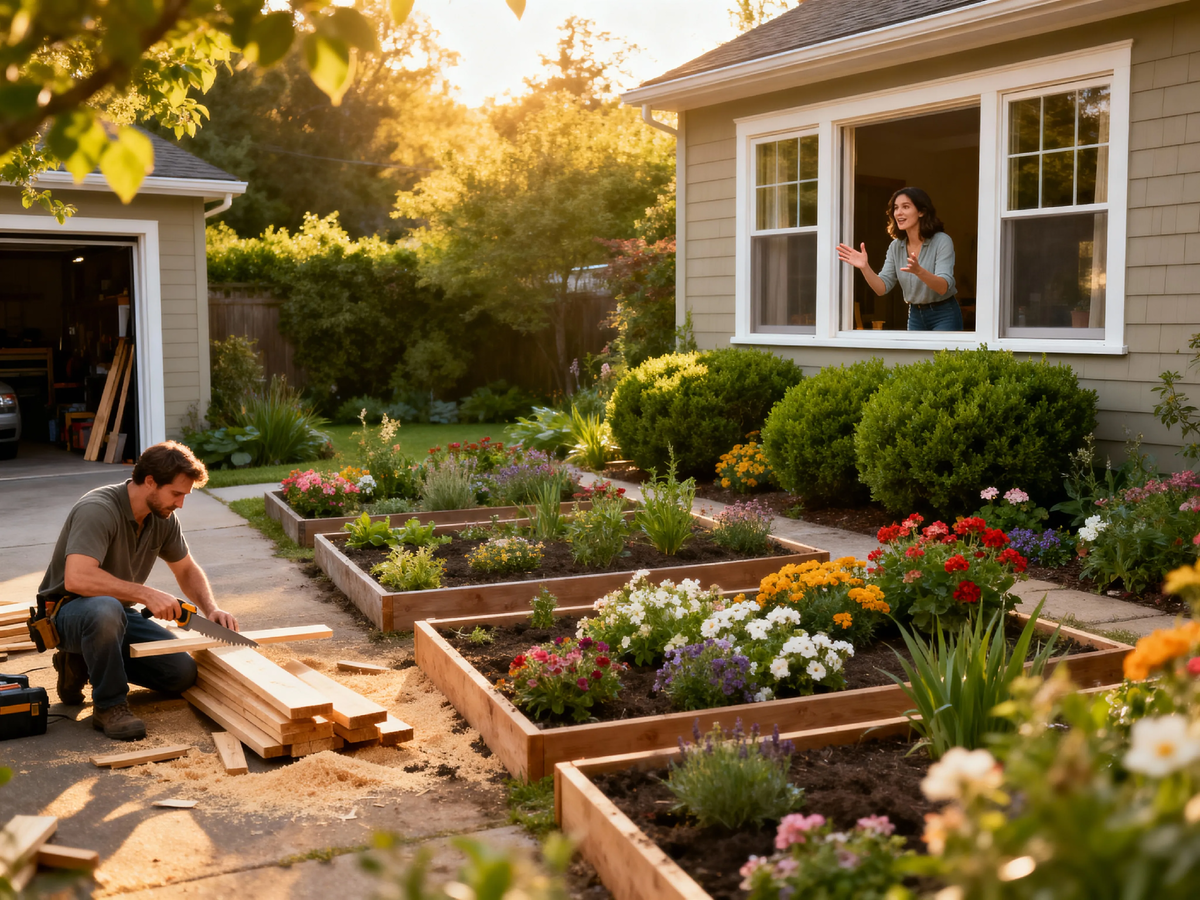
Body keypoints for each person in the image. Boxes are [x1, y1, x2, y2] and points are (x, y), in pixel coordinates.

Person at [37, 441, 239, 740]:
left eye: (185, 495)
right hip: (68, 613)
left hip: (116, 615)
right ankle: (109, 706)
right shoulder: (98, 509)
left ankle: (82, 660)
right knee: (104, 610)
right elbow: (77, 579)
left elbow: (185, 569)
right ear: (150, 482)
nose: (180, 503)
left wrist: (211, 610)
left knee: (180, 675)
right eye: (176, 493)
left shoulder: (163, 517)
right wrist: (146, 594)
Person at [837, 187, 961, 331]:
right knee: (915, 355)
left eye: (906, 207)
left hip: (944, 314)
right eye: (896, 208)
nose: (899, 213)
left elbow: (943, 287)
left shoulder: (942, 241)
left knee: (941, 354)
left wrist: (920, 272)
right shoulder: (895, 247)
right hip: (915, 314)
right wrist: (865, 267)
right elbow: (881, 288)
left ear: (922, 211)